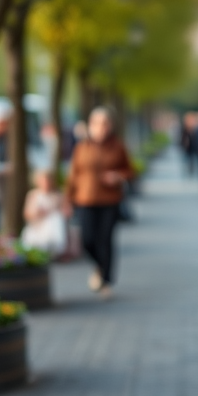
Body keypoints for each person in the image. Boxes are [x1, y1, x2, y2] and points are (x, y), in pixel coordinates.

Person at [65, 106, 135, 298]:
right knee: (87, 239)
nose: (101, 128)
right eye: (97, 123)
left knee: (105, 240)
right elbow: (73, 175)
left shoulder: (118, 146)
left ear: (110, 125)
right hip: (85, 199)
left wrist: (118, 176)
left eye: (105, 123)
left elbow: (130, 170)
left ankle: (106, 279)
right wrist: (67, 199)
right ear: (90, 125)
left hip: (109, 200)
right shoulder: (81, 147)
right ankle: (99, 266)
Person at [21, 169, 67, 256]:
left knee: (56, 218)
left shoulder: (58, 195)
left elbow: (66, 211)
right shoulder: (33, 194)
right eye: (43, 181)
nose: (46, 183)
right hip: (37, 224)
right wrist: (37, 213)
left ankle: (54, 249)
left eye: (48, 181)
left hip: (53, 226)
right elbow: (26, 214)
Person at [180, 112, 197, 177]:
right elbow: (182, 137)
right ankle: (188, 168)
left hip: (193, 146)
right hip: (186, 147)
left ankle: (191, 168)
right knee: (187, 158)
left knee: (192, 158)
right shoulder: (184, 128)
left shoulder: (195, 128)